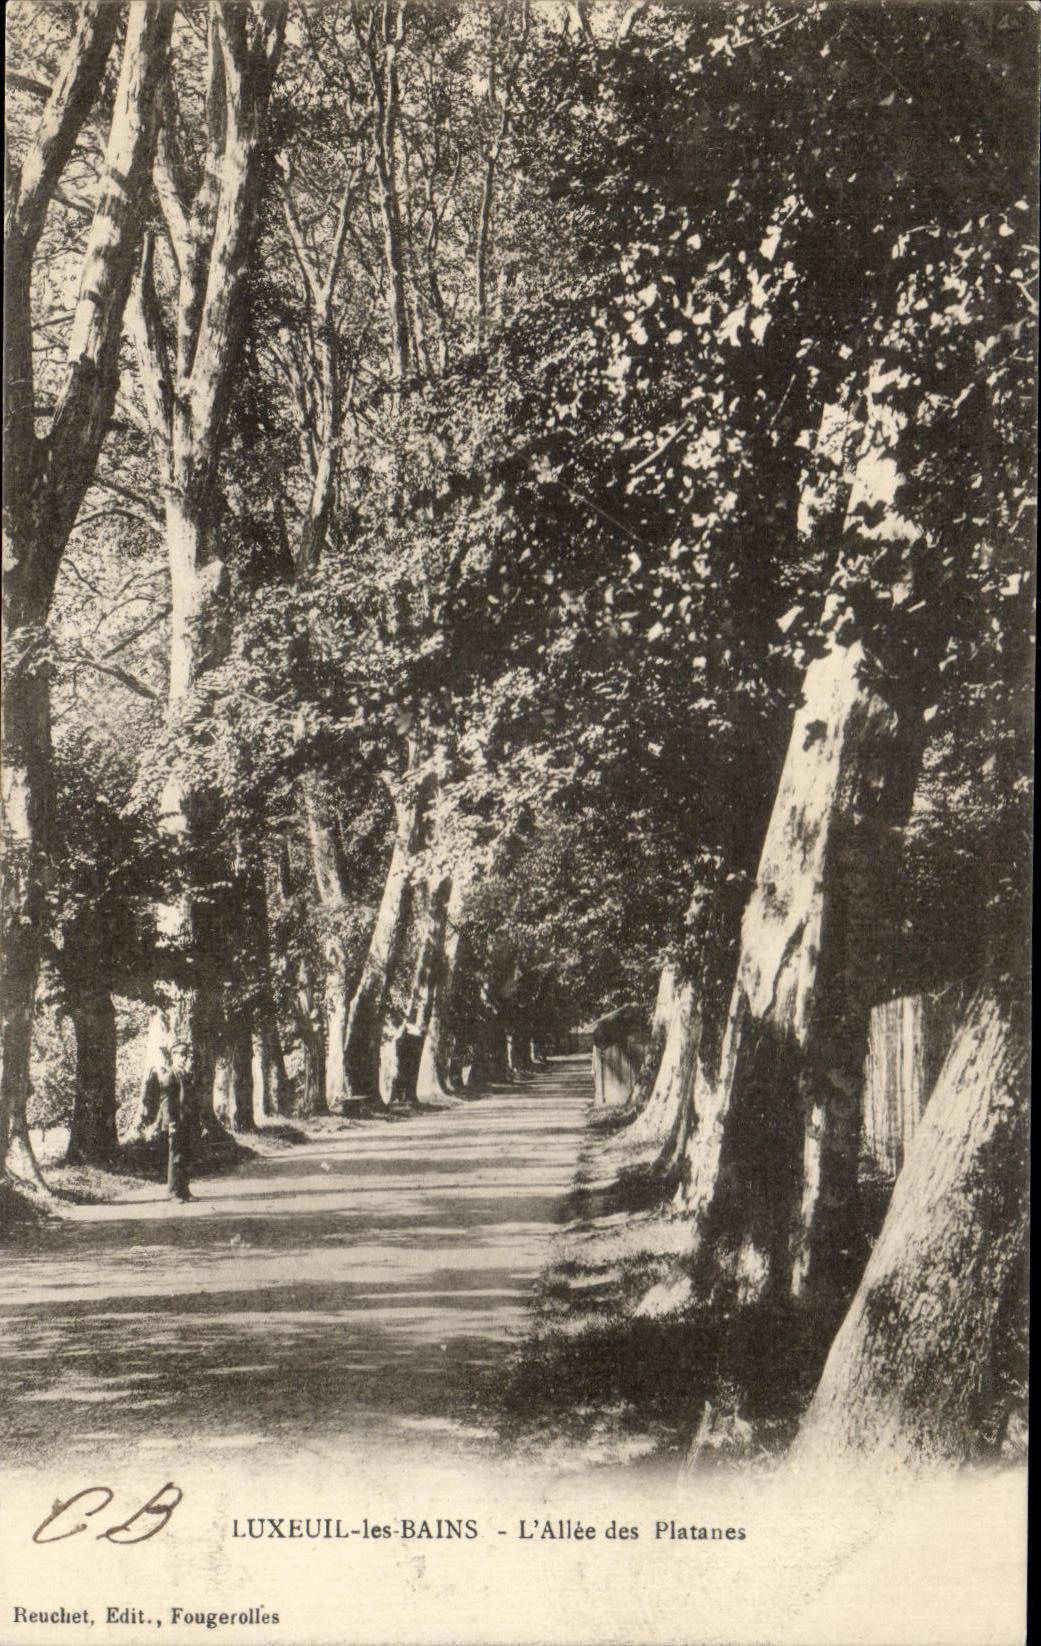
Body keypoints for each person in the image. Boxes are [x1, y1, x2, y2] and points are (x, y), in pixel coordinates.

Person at [140, 1042, 195, 1203]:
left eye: (186, 1056)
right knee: (176, 1157)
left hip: (185, 1121)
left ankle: (184, 1190)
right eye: (181, 1055)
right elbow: (167, 1103)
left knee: (185, 1156)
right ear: (174, 1057)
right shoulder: (170, 1076)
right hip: (175, 1122)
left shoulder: (184, 1075)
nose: (184, 1059)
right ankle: (173, 1193)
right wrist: (171, 1123)